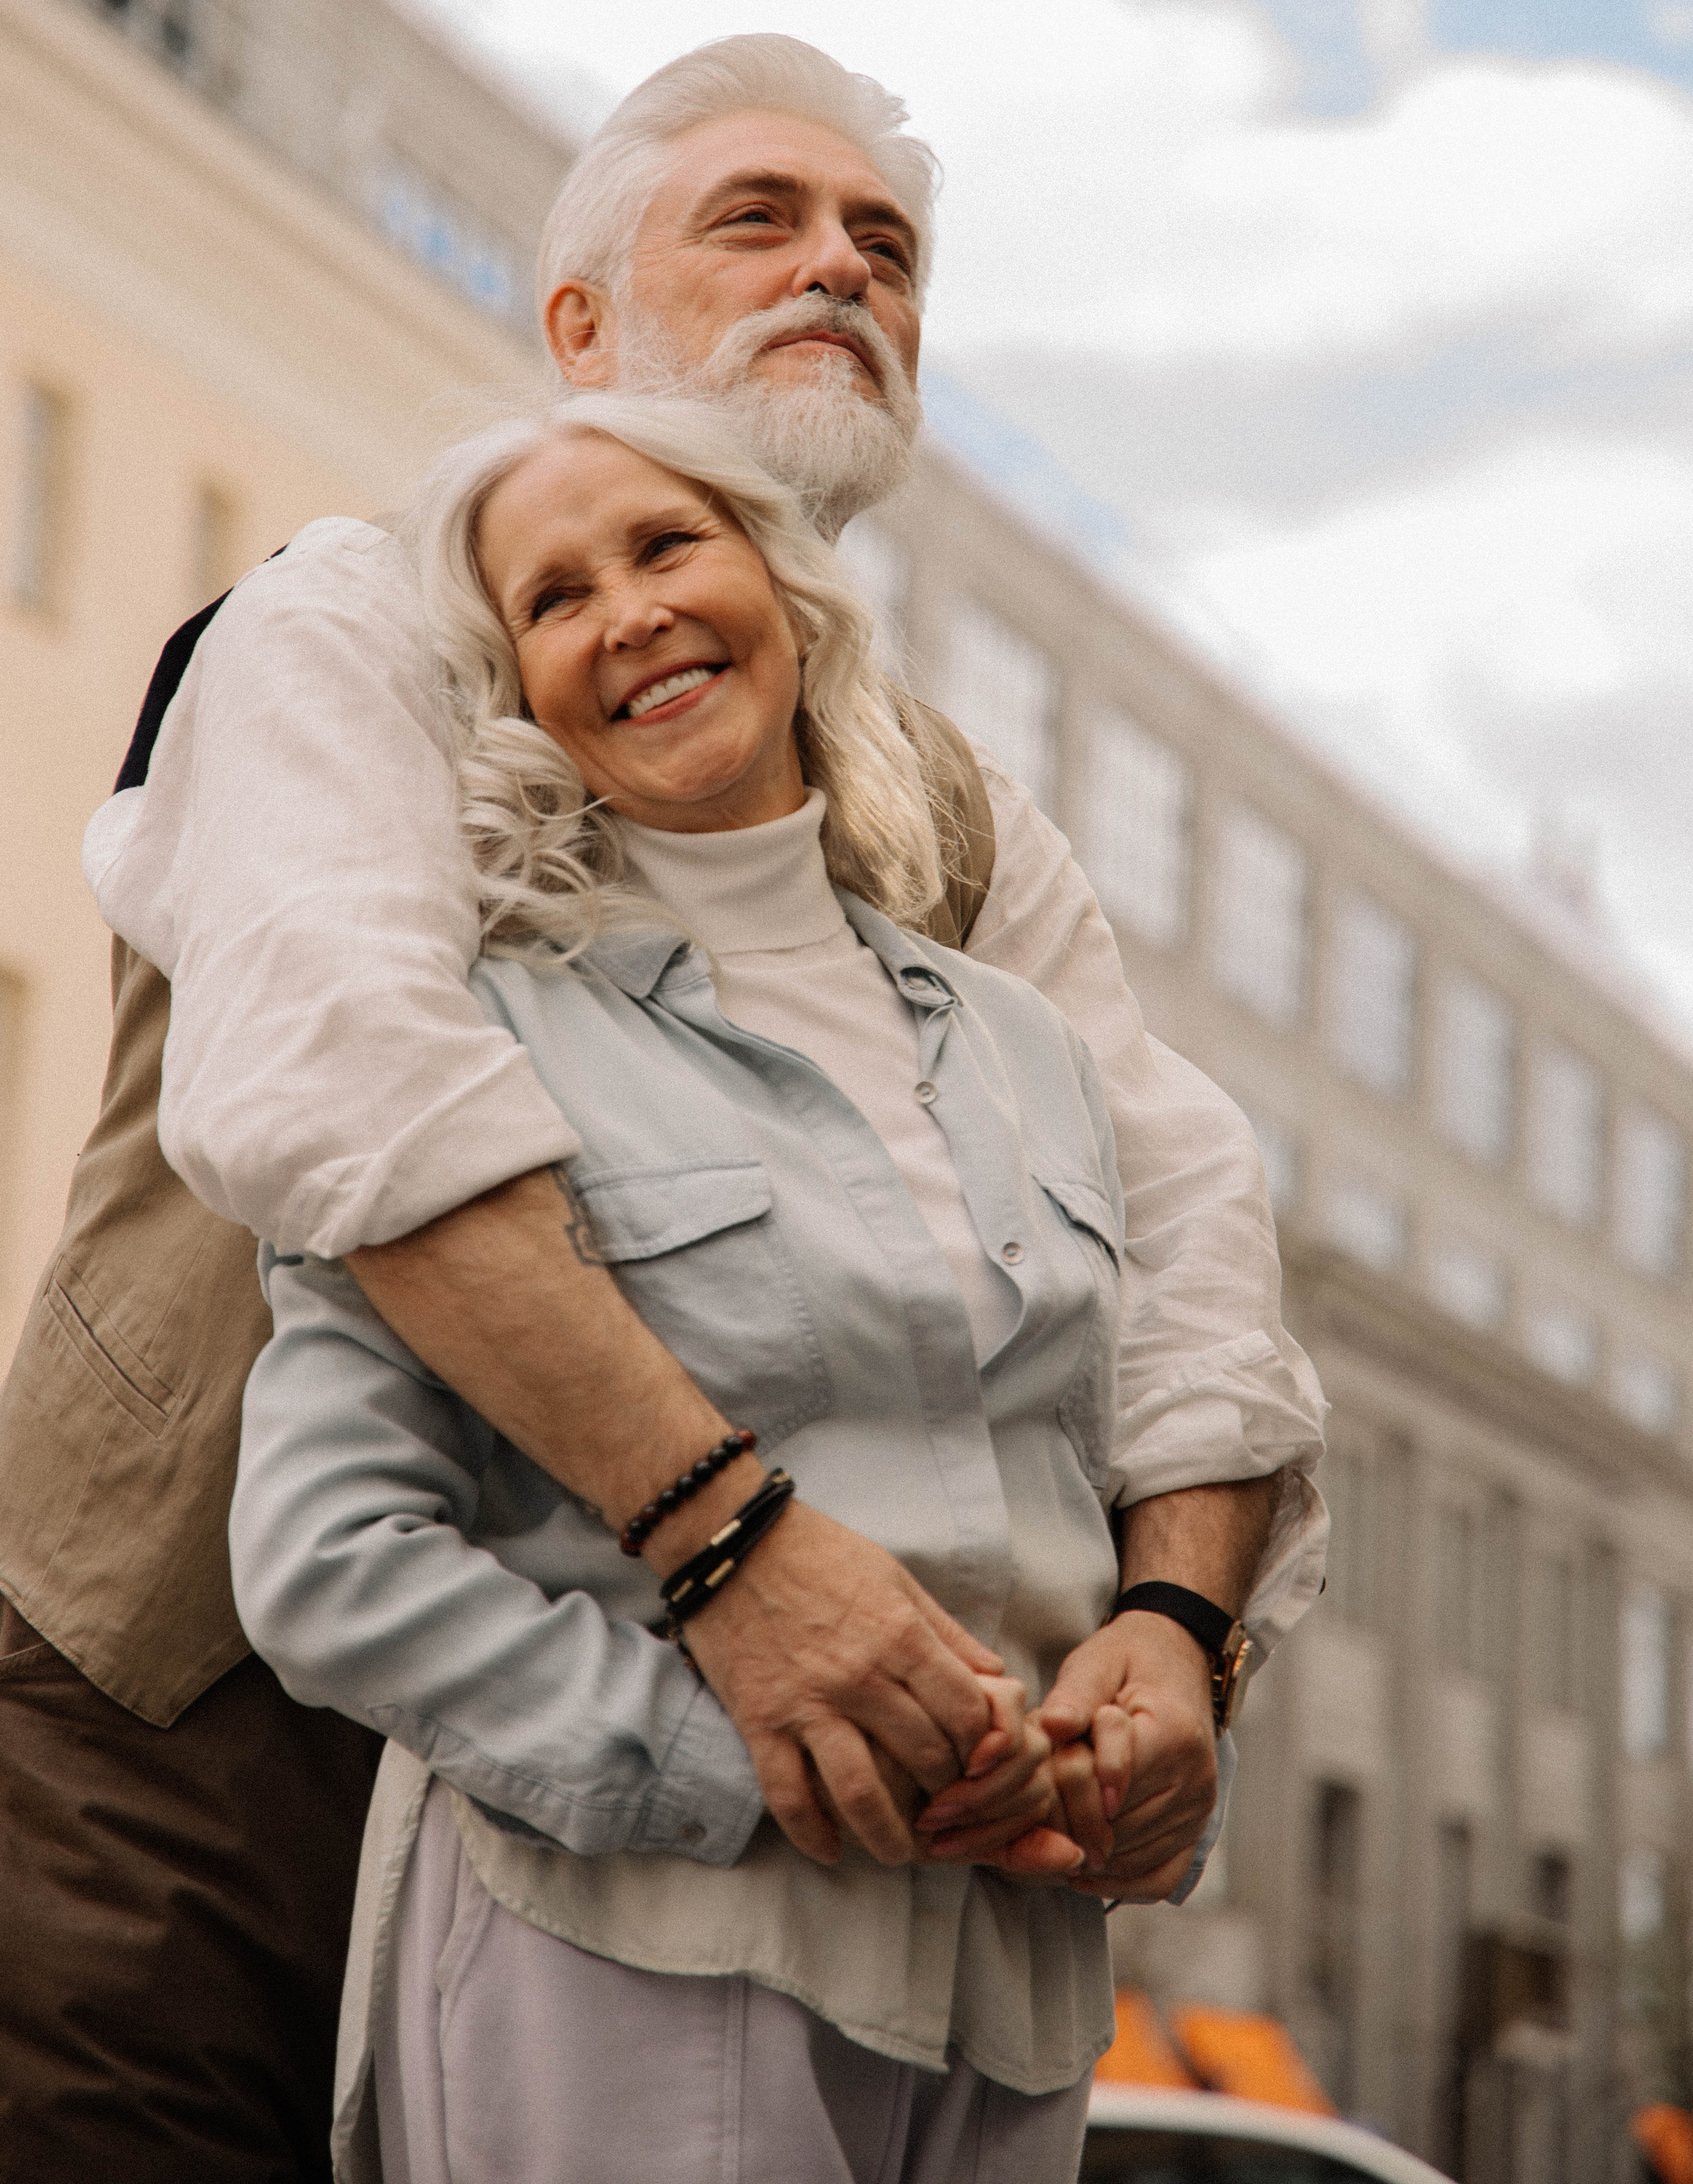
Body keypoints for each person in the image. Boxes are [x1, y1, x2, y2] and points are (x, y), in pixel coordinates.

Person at [0, 36, 1326, 2183]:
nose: (843, 271)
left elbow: (1189, 1219)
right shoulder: (342, 617)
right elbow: (352, 1088)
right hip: (208, 1708)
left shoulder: (973, 819)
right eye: (760, 219)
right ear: (577, 327)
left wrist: (1177, 1630)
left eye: (889, 249)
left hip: (782, 1825)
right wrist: (738, 1552)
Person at [232, 392, 1277, 2183]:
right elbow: (328, 1558)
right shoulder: (472, 1045)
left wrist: (1131, 1726)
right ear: (516, 692)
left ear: (788, 592)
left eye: (663, 546)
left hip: (1012, 1986)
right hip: (633, 1939)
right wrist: (735, 1769)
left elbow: (1082, 1498)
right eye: (553, 599)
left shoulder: (1030, 1049)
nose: (625, 612)